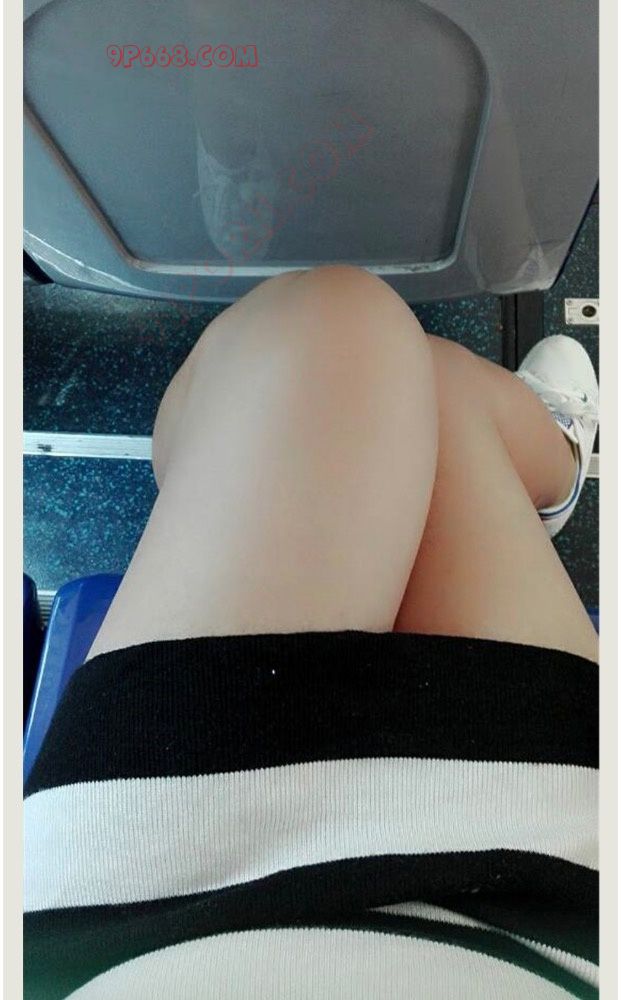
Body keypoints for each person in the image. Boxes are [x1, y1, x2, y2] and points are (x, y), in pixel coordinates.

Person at [24, 266, 598, 999]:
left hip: (143, 881)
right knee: (442, 385)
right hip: (536, 899)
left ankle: (215, 472)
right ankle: (552, 472)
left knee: (321, 318)